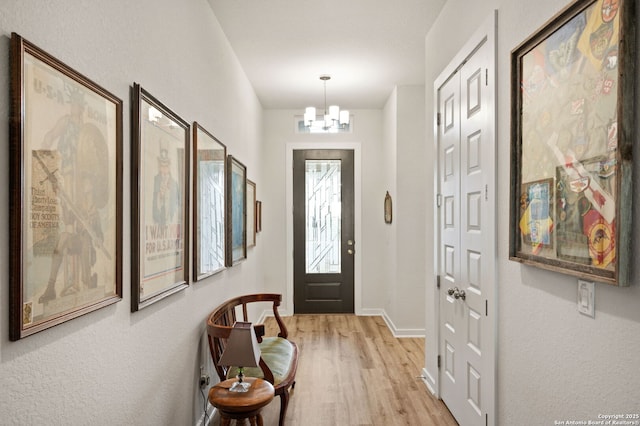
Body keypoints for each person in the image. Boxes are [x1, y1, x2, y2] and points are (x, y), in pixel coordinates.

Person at [152, 148, 180, 226]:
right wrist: (160, 196)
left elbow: (177, 204)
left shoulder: (174, 183)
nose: (163, 169)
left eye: (166, 166)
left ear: (169, 166)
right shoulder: (155, 180)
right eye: (162, 166)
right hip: (158, 221)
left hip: (170, 220)